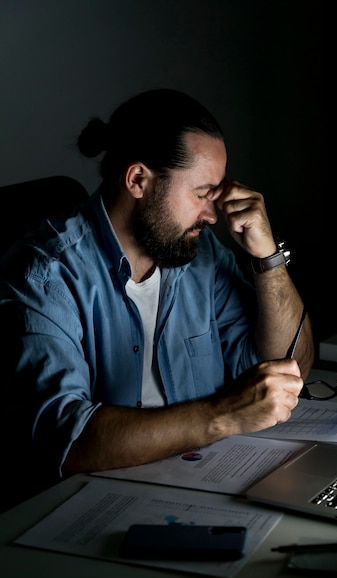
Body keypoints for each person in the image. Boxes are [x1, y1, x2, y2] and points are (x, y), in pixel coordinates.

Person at [0, 88, 314, 510]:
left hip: (204, 483)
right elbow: (67, 440)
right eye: (203, 193)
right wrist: (224, 414)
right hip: (88, 509)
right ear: (138, 181)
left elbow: (286, 367)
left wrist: (268, 257)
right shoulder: (43, 274)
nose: (212, 214)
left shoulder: (201, 257)